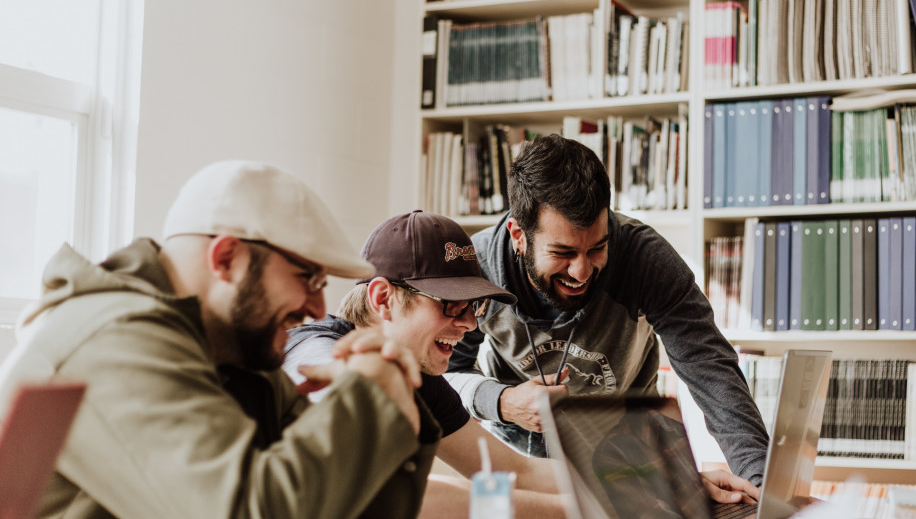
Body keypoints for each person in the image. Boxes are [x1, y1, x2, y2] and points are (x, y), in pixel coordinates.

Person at [0, 161, 440, 519]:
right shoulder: (113, 339)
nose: (317, 306)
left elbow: (346, 507)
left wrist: (396, 399)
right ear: (226, 257)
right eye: (307, 277)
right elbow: (250, 511)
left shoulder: (235, 355)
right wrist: (366, 396)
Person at [283, 210, 760, 518]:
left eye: (475, 308)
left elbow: (514, 471)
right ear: (384, 299)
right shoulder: (315, 349)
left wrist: (669, 482)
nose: (469, 326)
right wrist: (597, 510)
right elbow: (409, 498)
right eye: (451, 306)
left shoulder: (420, 379)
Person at [444, 134, 770, 486]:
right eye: (563, 253)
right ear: (518, 235)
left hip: (629, 458)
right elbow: (445, 374)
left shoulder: (646, 259)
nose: (581, 272)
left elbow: (711, 370)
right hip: (520, 463)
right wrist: (503, 402)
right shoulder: (477, 271)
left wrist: (760, 484)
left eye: (597, 248)